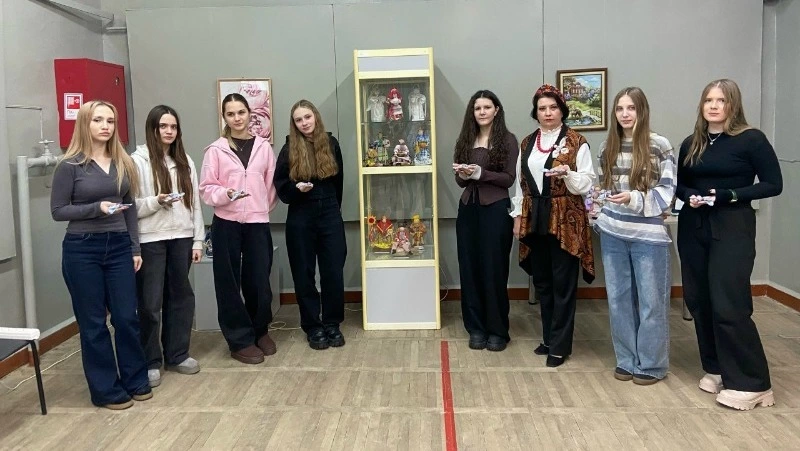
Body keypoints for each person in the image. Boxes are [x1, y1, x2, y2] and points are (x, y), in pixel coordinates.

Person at [676, 79, 783, 410]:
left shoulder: (751, 139)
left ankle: (753, 384)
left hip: (732, 226)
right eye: (708, 100)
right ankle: (717, 368)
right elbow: (680, 185)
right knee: (699, 300)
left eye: (721, 100)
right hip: (693, 226)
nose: (713, 105)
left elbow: (773, 184)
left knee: (729, 303)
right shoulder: (691, 143)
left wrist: (729, 195)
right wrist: (690, 196)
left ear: (732, 105)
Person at [50, 100, 152, 409]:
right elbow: (58, 211)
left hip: (119, 246)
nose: (105, 126)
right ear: (85, 123)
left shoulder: (122, 162)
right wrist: (97, 208)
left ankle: (135, 380)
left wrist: (134, 247)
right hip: (83, 249)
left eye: (110, 121)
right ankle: (106, 390)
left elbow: (130, 208)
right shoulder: (69, 166)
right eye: (98, 120)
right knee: (93, 323)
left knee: (126, 317)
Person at [594, 87, 676, 385]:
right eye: (620, 109)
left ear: (642, 111)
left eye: (631, 108)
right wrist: (599, 206)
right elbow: (604, 189)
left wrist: (634, 198)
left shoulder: (659, 145)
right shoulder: (607, 147)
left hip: (648, 236)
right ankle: (626, 360)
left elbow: (667, 192)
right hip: (613, 234)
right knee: (618, 300)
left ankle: (652, 365)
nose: (625, 114)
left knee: (651, 302)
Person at [511, 84, 596, 367]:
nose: (548, 113)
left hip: (565, 219)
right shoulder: (527, 143)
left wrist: (568, 174)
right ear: (535, 112)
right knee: (543, 282)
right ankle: (548, 338)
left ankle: (560, 346)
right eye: (542, 108)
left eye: (553, 107)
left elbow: (587, 183)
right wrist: (517, 216)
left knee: (563, 283)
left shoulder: (577, 141)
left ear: (562, 110)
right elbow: (520, 184)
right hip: (535, 217)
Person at [199, 93, 278, 364]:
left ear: (249, 113)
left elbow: (270, 186)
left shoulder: (263, 148)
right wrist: (226, 195)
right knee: (228, 283)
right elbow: (207, 188)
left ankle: (260, 330)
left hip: (257, 222)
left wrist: (258, 208)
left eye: (241, 112)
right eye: (231, 114)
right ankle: (239, 339)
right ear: (224, 117)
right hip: (226, 223)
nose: (237, 118)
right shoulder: (215, 150)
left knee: (259, 280)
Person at [132, 105, 205, 387]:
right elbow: (130, 206)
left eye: (173, 127)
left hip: (182, 239)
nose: (169, 131)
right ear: (152, 128)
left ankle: (177, 354)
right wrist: (156, 201)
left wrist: (197, 239)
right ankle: (151, 360)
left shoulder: (185, 161)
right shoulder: (136, 162)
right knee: (150, 303)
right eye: (163, 126)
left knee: (180, 298)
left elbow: (194, 204)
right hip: (150, 239)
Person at [274, 100, 346, 350]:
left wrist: (333, 211)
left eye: (307, 117)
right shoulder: (288, 149)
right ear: (294, 124)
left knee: (333, 271)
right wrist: (297, 190)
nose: (304, 123)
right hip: (300, 215)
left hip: (330, 213)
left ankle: (332, 323)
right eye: (298, 120)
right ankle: (313, 326)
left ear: (315, 117)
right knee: (303, 273)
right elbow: (281, 189)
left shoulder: (331, 143)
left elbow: (339, 183)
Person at [453, 89, 518, 352]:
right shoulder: (465, 139)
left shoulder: (508, 140)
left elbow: (509, 179)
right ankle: (476, 328)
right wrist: (464, 174)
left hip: (496, 210)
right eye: (477, 108)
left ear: (496, 110)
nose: (482, 112)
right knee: (469, 269)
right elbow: (460, 181)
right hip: (468, 210)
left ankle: (498, 330)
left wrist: (481, 173)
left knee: (494, 269)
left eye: (487, 107)